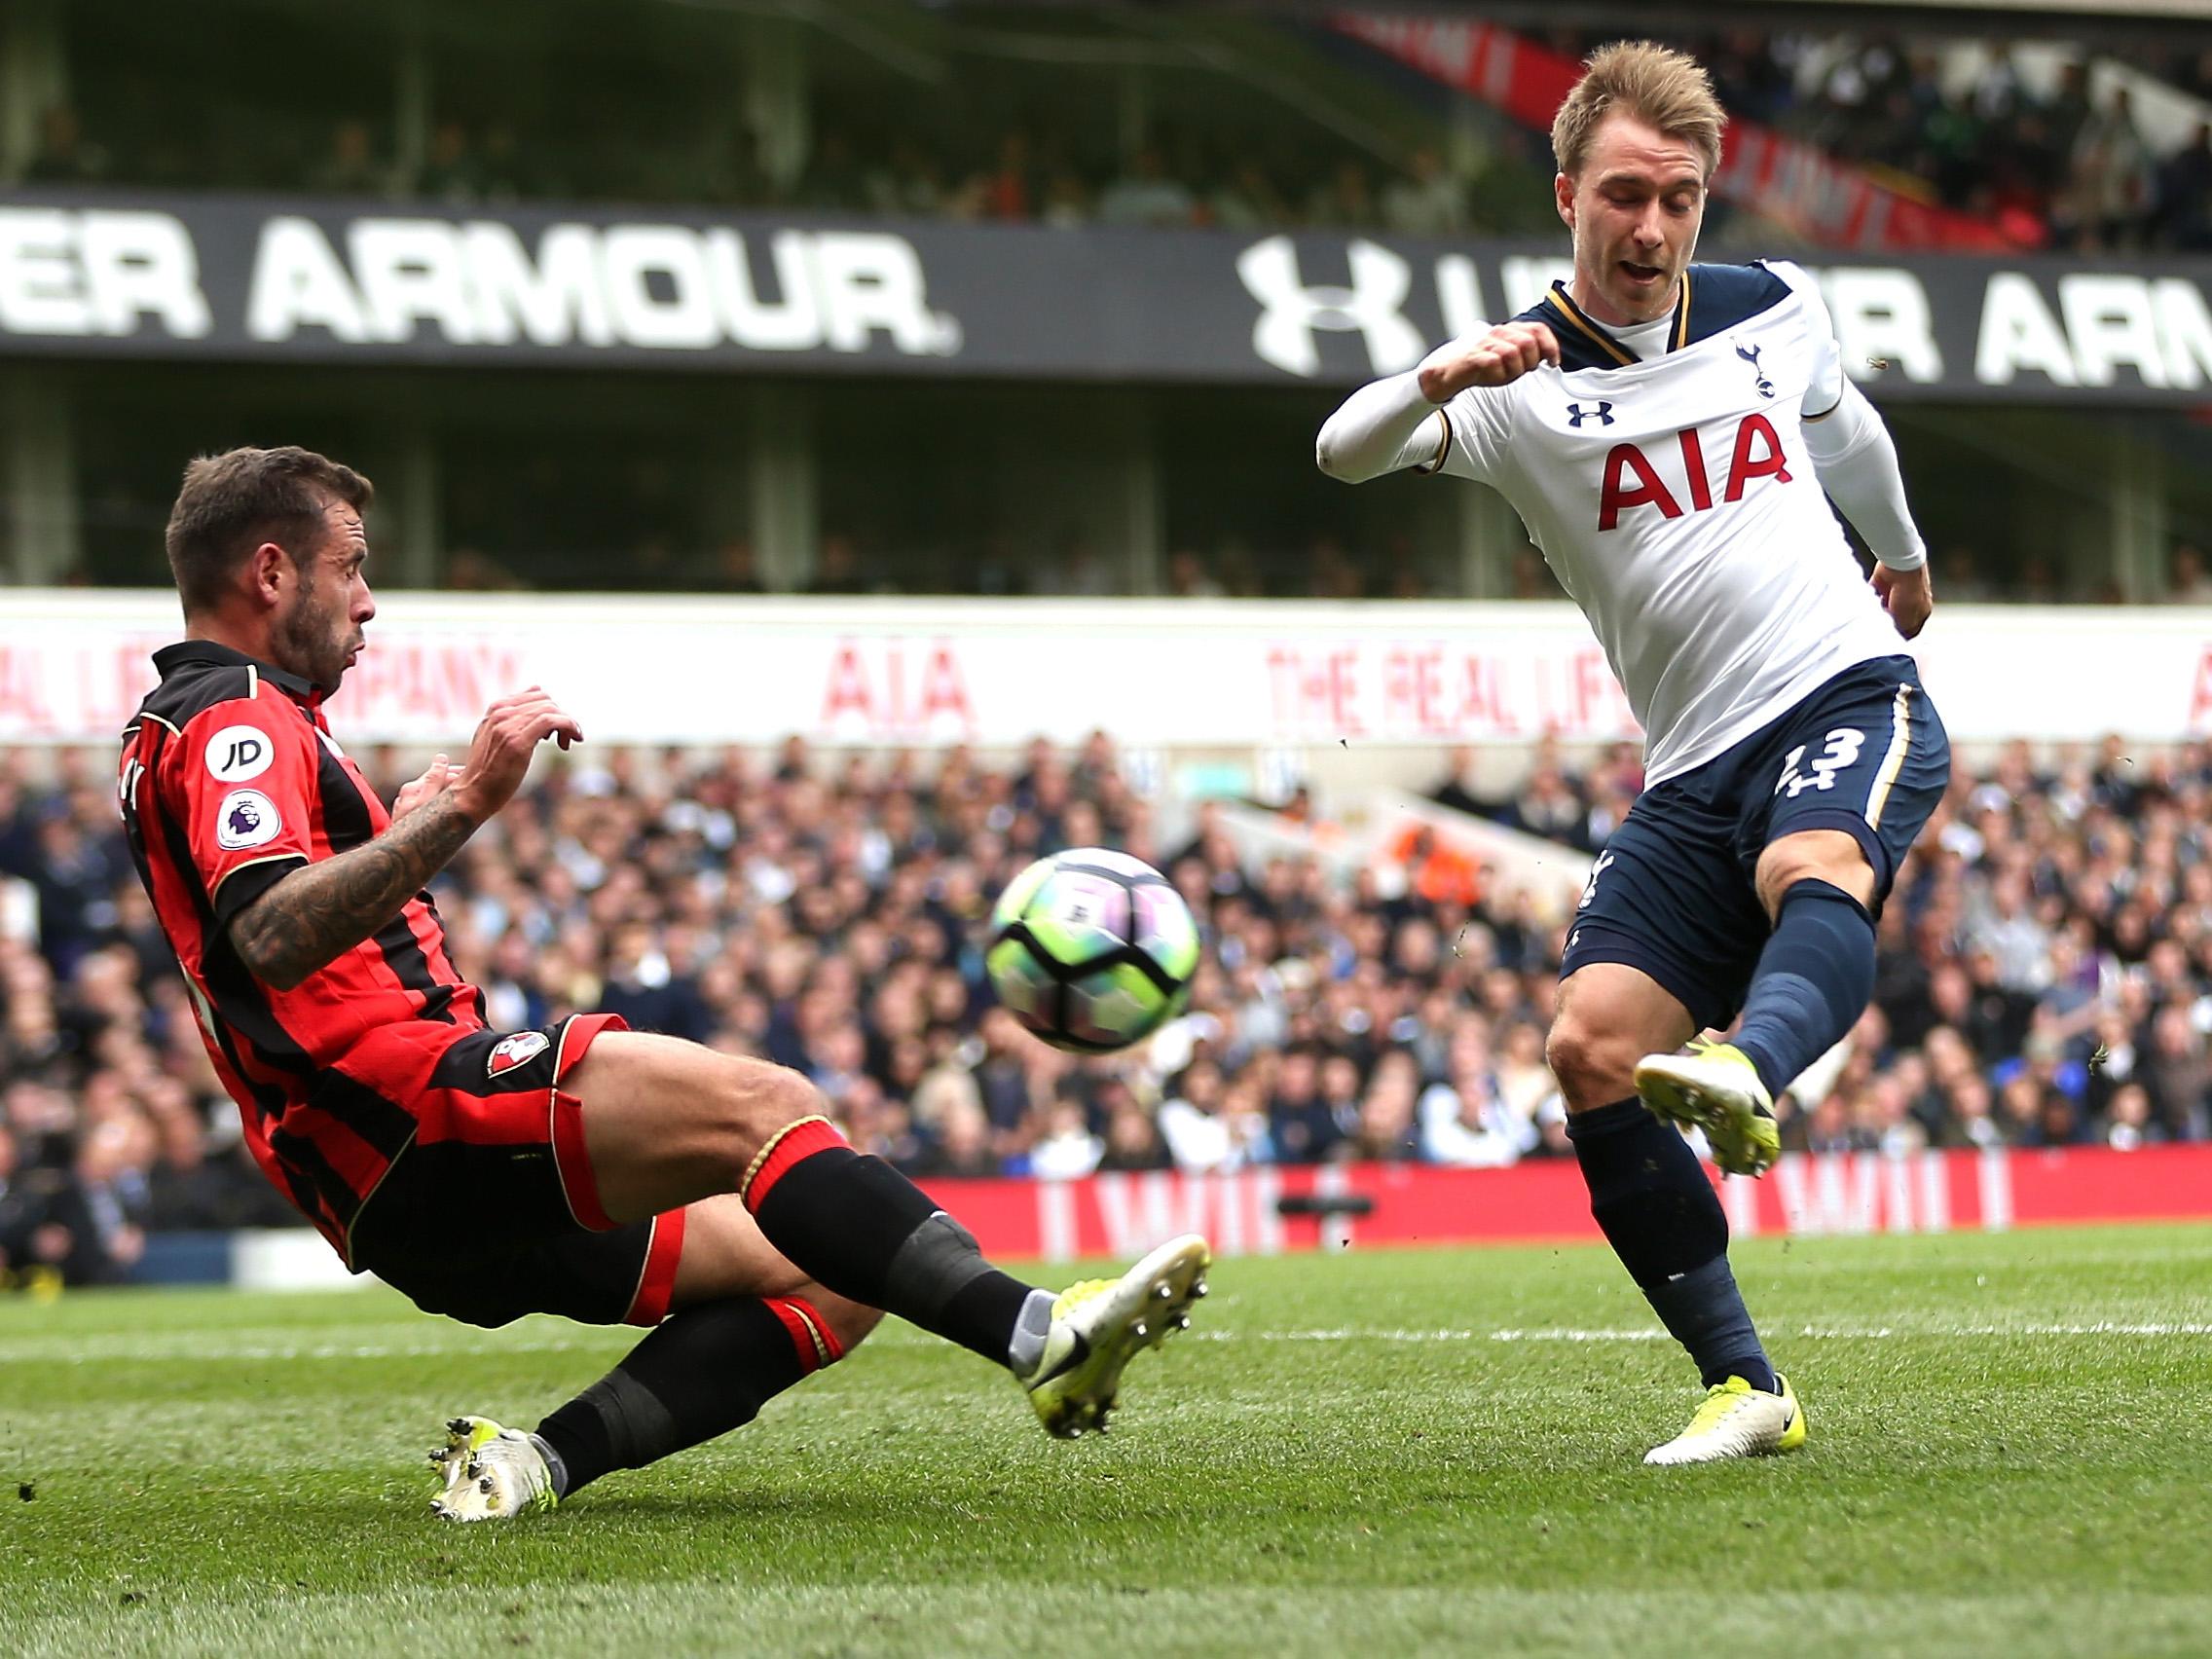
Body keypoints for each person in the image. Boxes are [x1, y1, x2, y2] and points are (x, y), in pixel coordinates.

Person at [117, 447, 1209, 1522]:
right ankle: (1043, 1339)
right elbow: (268, 934)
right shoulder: (233, 713)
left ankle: (536, 1465)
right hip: (405, 1115)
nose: (368, 602)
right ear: (270, 574)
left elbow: (269, 925)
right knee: (767, 1107)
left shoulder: (217, 720)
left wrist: (398, 832)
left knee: (835, 1270)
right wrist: (461, 811)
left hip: (404, 1172)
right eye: (349, 565)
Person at [1317, 42, 1947, 1464]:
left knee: (1816, 861)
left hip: (1840, 687)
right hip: (1687, 770)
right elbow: (1340, 455)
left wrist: (1900, 559)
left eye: (1680, 196)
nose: (1653, 226)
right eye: (1624, 196)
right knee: (1590, 1050)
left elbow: (1848, 432)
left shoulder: (1775, 310)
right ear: (1566, 195)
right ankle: (1747, 1387)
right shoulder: (1510, 377)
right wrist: (1436, 375)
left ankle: (1756, 1069)